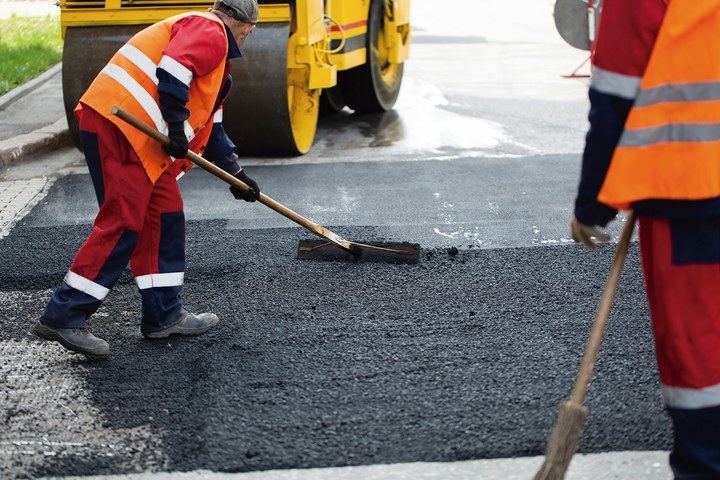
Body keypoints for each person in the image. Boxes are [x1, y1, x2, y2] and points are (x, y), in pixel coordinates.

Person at [33, 0, 262, 357]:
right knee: (124, 222)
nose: (251, 31)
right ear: (234, 19)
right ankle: (64, 315)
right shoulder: (210, 29)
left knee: (165, 217)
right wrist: (174, 126)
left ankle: (163, 315)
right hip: (122, 128)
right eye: (250, 24)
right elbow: (172, 69)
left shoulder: (219, 67)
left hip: (142, 140)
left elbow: (211, 129)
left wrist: (237, 175)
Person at [571, 0, 720, 477]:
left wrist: (593, 207)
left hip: (691, 195)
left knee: (701, 354)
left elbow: (615, 99)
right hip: (692, 192)